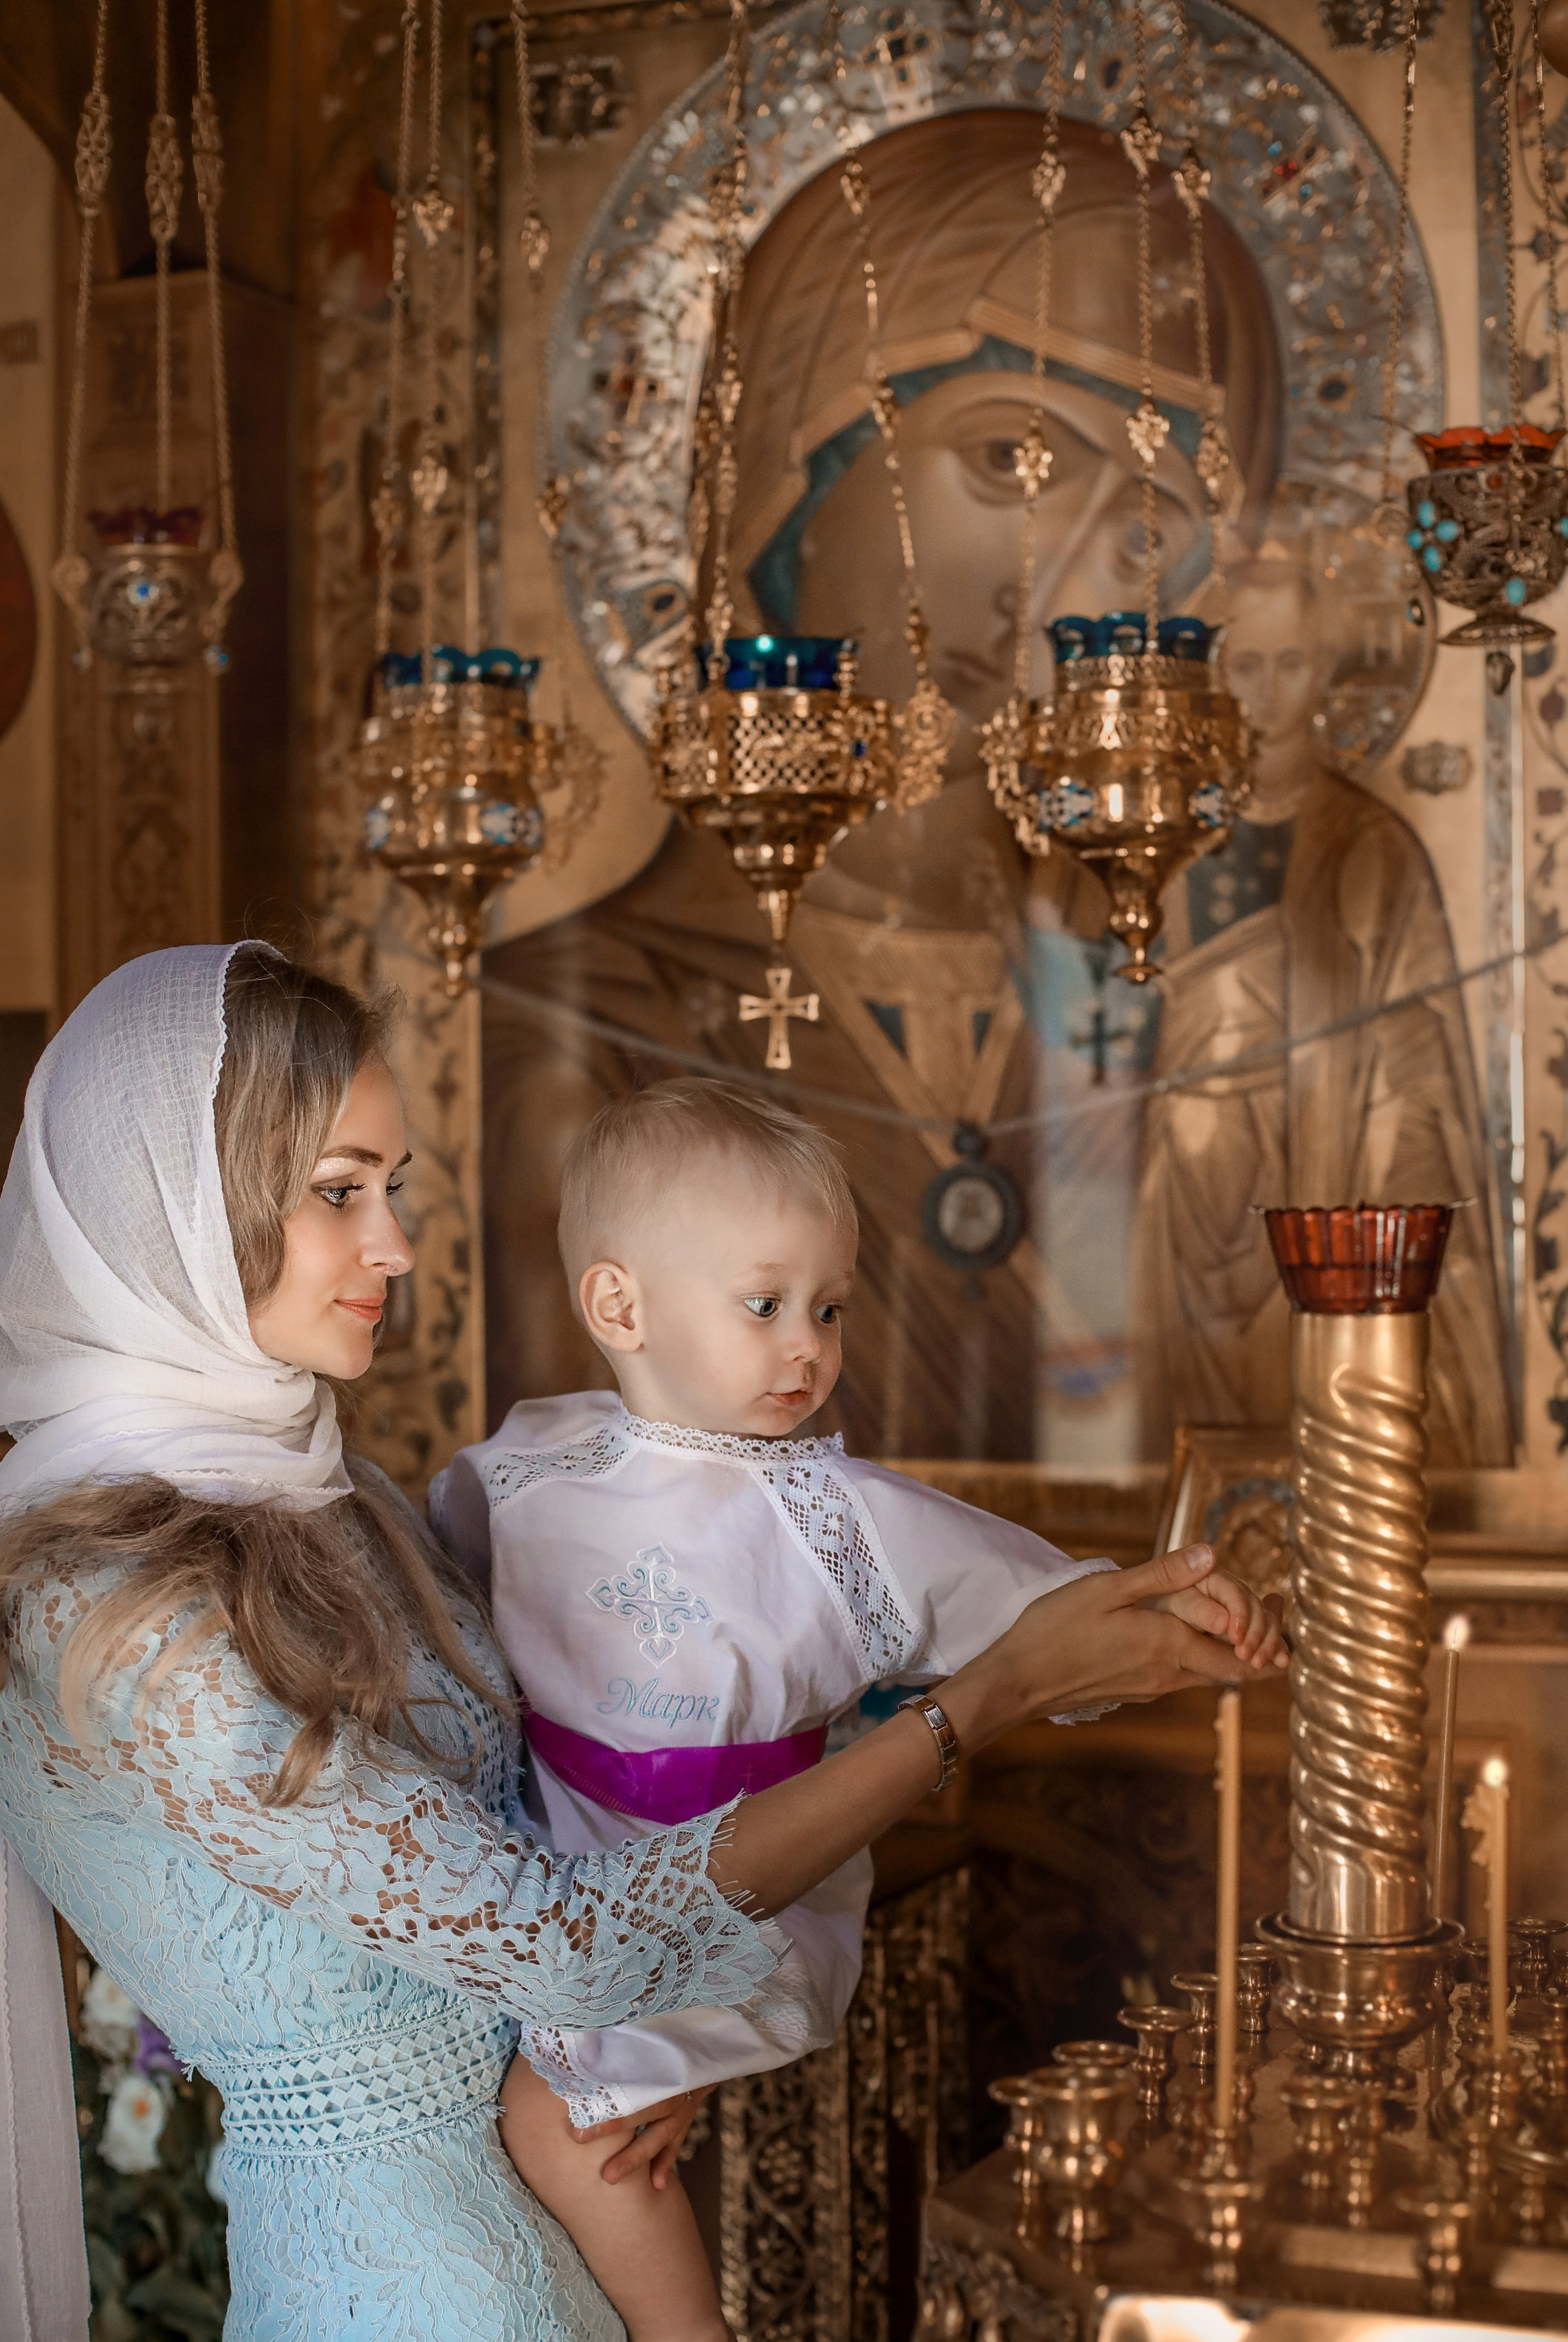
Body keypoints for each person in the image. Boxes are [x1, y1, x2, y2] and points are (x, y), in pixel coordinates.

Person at [0, 941, 1278, 2342]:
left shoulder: (341, 1498)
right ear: (181, 1208)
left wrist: (647, 2059)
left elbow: (601, 1779)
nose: (395, 1241)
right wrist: (982, 1701)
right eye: (339, 1189)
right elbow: (573, 1943)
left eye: (393, 1183)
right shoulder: (109, 1604)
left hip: (605, 2276)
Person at [428, 1079, 1285, 2342]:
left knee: (552, 2111)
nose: (807, 1347)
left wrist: (1188, 1622)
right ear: (619, 1306)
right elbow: (433, 1573)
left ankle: (683, 2340)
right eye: (764, 1304)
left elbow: (1035, 1611)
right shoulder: (531, 1469)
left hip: (753, 1894)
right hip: (577, 1853)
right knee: (531, 2088)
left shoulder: (842, 1522)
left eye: (828, 1307)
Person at [483, 109, 1284, 1461]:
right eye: (1010, 460)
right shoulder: (573, 1031)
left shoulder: (1189, 1010)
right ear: (786, 478)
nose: (1061, 576)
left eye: (1146, 525)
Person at [1129, 557, 1513, 1469]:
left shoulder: (1374, 846)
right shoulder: (1151, 839)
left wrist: (1382, 1200)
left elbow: (1420, 1065)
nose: (1268, 693)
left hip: (1325, 1178)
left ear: (1328, 669)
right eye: (1245, 665)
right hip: (1183, 1196)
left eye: (1291, 663)